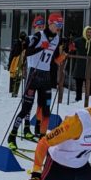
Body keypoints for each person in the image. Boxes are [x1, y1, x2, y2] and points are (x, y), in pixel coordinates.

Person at [7, 13, 64, 148]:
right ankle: (12, 136)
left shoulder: (56, 39)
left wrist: (66, 53)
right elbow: (27, 52)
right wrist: (40, 47)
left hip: (46, 77)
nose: (59, 28)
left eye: (61, 26)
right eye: (58, 25)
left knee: (46, 110)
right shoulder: (39, 36)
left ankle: (42, 141)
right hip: (34, 74)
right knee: (26, 109)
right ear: (50, 23)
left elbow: (55, 60)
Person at [8, 31, 27, 97]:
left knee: (17, 76)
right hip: (16, 61)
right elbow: (13, 53)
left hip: (19, 61)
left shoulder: (23, 44)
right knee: (15, 76)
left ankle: (14, 91)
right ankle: (13, 91)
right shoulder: (18, 43)